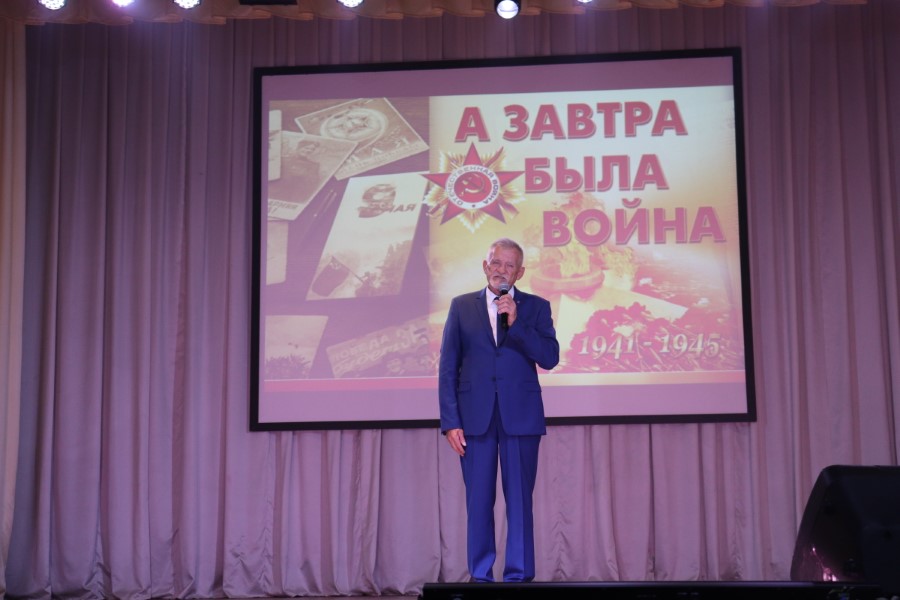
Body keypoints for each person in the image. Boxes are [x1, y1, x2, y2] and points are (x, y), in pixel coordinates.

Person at [438, 238, 560, 583]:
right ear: (485, 266)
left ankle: (518, 577)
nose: (501, 270)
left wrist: (516, 322)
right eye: (496, 263)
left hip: (520, 417)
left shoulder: (536, 307)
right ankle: (480, 577)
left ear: (520, 273)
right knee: (478, 502)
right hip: (474, 419)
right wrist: (450, 422)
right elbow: (448, 368)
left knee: (519, 501)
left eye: (509, 265)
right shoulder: (461, 306)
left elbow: (549, 358)